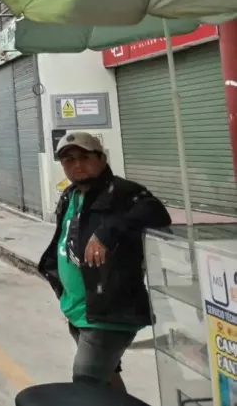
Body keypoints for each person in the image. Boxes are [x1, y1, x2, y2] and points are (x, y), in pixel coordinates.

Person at [38, 131, 170, 392]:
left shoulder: (123, 192)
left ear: (102, 158)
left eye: (85, 157)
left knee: (86, 384)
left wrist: (108, 232)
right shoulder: (71, 195)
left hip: (108, 311)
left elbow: (155, 212)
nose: (77, 165)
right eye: (69, 159)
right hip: (79, 308)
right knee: (106, 379)